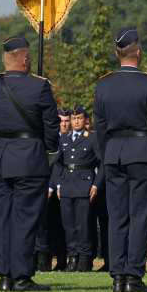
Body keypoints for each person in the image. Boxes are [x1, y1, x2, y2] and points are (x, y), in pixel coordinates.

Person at [92, 28, 147, 292]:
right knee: (139, 215)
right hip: (143, 153)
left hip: (114, 153)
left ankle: (117, 276)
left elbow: (99, 127)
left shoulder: (103, 84)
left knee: (117, 217)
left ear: (118, 53)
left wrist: (106, 156)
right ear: (138, 52)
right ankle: (133, 277)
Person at [0, 36, 60, 292]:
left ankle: (4, 275)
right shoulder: (39, 87)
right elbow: (50, 125)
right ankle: (22, 275)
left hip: (1, 158)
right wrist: (49, 149)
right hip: (29, 157)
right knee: (25, 219)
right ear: (26, 59)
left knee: (3, 217)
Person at [53, 105, 104, 272]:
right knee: (69, 225)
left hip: (84, 184)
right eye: (74, 119)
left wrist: (96, 184)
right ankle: (72, 258)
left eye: (79, 118)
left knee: (83, 225)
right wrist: (59, 184)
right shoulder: (64, 138)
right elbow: (58, 163)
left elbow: (102, 163)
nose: (76, 121)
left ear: (85, 120)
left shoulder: (92, 138)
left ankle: (84, 259)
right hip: (67, 185)